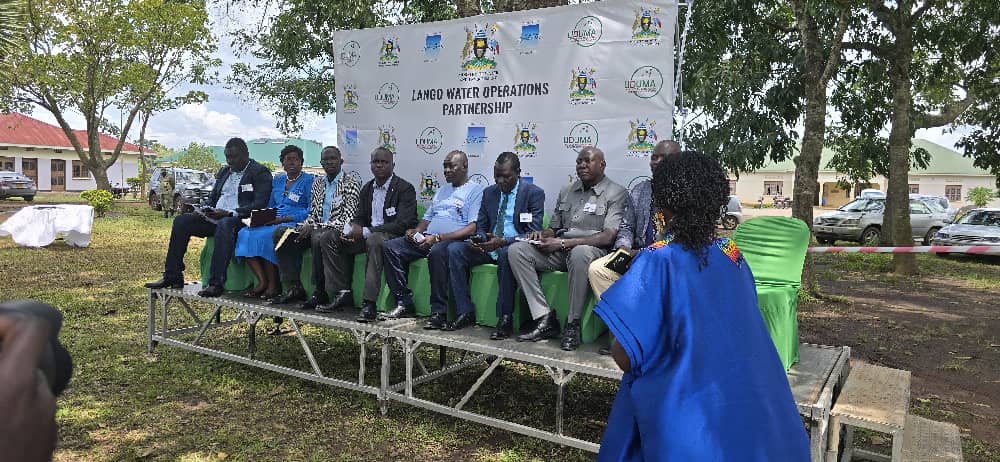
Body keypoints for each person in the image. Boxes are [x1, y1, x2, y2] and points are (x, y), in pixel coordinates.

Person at [594, 151, 810, 461]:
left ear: (663, 205)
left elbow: (625, 356)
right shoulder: (732, 255)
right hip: (755, 421)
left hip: (683, 425)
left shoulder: (658, 260)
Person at [508, 146, 627, 351]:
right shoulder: (567, 190)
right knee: (517, 250)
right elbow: (554, 228)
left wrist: (564, 243)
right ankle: (544, 317)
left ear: (602, 165)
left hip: (592, 252)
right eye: (579, 161)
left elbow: (608, 236)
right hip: (560, 250)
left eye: (588, 161)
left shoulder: (616, 192)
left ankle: (573, 324)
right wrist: (543, 235)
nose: (582, 165)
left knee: (580, 253)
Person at [145, 137, 273, 297]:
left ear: (245, 154)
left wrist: (230, 212)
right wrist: (204, 209)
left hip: (241, 220)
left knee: (225, 223)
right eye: (227, 157)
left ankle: (216, 283)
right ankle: (173, 275)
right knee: (181, 221)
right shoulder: (225, 171)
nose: (230, 161)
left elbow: (260, 204)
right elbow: (212, 198)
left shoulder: (259, 172)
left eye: (234, 157)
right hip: (216, 216)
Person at [441, 152, 544, 334]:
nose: (500, 181)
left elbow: (532, 233)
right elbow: (481, 225)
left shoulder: (533, 193)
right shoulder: (489, 192)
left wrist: (503, 241)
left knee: (506, 254)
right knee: (455, 250)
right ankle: (464, 311)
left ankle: (505, 318)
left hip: (512, 247)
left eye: (506, 176)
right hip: (489, 246)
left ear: (518, 172)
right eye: (497, 176)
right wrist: (480, 238)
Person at [381, 150, 484, 321]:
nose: (446, 170)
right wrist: (416, 231)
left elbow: (472, 228)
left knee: (437, 252)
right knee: (390, 247)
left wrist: (438, 238)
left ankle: (438, 312)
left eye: (451, 166)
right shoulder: (442, 190)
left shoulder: (476, 191)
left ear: (465, 166)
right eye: (445, 166)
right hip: (427, 238)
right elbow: (427, 218)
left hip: (451, 241)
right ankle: (404, 302)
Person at [269, 146, 362, 312]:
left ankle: (321, 292)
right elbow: (313, 213)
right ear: (321, 163)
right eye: (326, 159)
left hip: (338, 230)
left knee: (318, 236)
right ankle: (295, 286)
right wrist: (308, 224)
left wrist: (314, 226)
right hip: (316, 228)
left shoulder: (351, 182)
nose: (330, 162)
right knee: (281, 233)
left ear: (341, 161)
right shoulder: (318, 182)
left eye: (333, 158)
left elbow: (348, 218)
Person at [330, 147, 418, 322]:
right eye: (375, 162)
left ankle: (369, 304)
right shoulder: (367, 188)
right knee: (330, 237)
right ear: (370, 165)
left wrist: (365, 231)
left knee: (374, 240)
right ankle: (341, 292)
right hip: (368, 235)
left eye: (384, 162)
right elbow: (360, 216)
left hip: (393, 236)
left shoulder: (404, 188)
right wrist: (352, 229)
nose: (379, 165)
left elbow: (403, 224)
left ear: (393, 165)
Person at [588, 140, 680, 298]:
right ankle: (619, 313)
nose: (656, 162)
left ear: (678, 160)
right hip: (635, 254)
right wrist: (623, 247)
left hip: (667, 258)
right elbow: (627, 227)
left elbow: (681, 240)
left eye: (663, 157)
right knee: (598, 269)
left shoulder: (686, 192)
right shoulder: (640, 189)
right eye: (654, 157)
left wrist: (642, 254)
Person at [234, 145, 313, 301]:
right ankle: (262, 281)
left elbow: (310, 209)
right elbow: (270, 204)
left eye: (295, 159)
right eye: (288, 159)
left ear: (301, 162)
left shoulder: (309, 180)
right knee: (244, 233)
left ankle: (274, 285)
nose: (292, 162)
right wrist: (263, 217)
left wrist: (285, 219)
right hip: (273, 218)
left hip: (293, 221)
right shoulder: (278, 180)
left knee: (267, 235)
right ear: (282, 163)